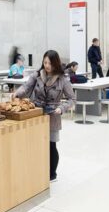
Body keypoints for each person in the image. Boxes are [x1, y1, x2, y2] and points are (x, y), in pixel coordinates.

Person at [14, 50, 75, 182]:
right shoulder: (37, 75)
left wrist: (61, 108)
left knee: (51, 145)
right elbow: (26, 87)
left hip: (53, 115)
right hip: (36, 113)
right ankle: (38, 169)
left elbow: (72, 99)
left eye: (50, 63)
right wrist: (17, 94)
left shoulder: (62, 79)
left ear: (56, 64)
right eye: (45, 62)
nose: (47, 66)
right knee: (36, 143)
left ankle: (52, 174)